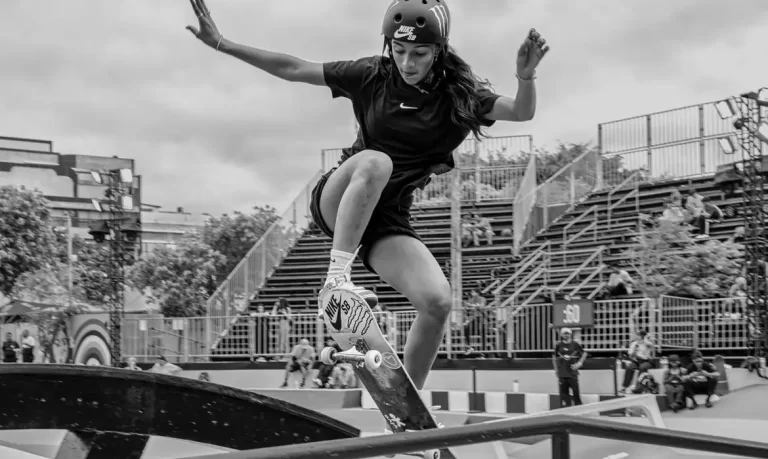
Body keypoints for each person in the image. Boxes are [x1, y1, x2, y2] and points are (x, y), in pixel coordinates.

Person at [186, 0, 548, 390]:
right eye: (399, 50)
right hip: (340, 198)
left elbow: (520, 112)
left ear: (439, 51)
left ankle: (409, 403)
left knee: (437, 301)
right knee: (376, 162)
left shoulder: (460, 95)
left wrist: (525, 78)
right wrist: (223, 43)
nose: (408, 63)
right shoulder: (371, 75)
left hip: (386, 220)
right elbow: (292, 69)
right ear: (389, 46)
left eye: (420, 54)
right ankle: (337, 280)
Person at [552, 328, 587, 407]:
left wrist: (579, 363)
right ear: (561, 335)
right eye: (564, 334)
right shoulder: (559, 345)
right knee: (564, 396)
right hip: (562, 374)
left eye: (567, 333)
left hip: (572, 373)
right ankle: (565, 412)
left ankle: (578, 411)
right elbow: (554, 357)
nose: (566, 335)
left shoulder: (575, 344)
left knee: (576, 394)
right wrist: (556, 370)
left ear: (570, 334)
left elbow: (584, 354)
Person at [620, 330, 654, 394]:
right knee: (629, 367)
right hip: (636, 361)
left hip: (646, 361)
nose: (636, 336)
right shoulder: (634, 343)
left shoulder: (647, 343)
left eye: (638, 335)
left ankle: (638, 388)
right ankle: (624, 387)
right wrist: (634, 351)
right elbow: (630, 354)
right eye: (636, 334)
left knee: (642, 367)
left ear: (642, 336)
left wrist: (645, 337)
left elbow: (650, 345)